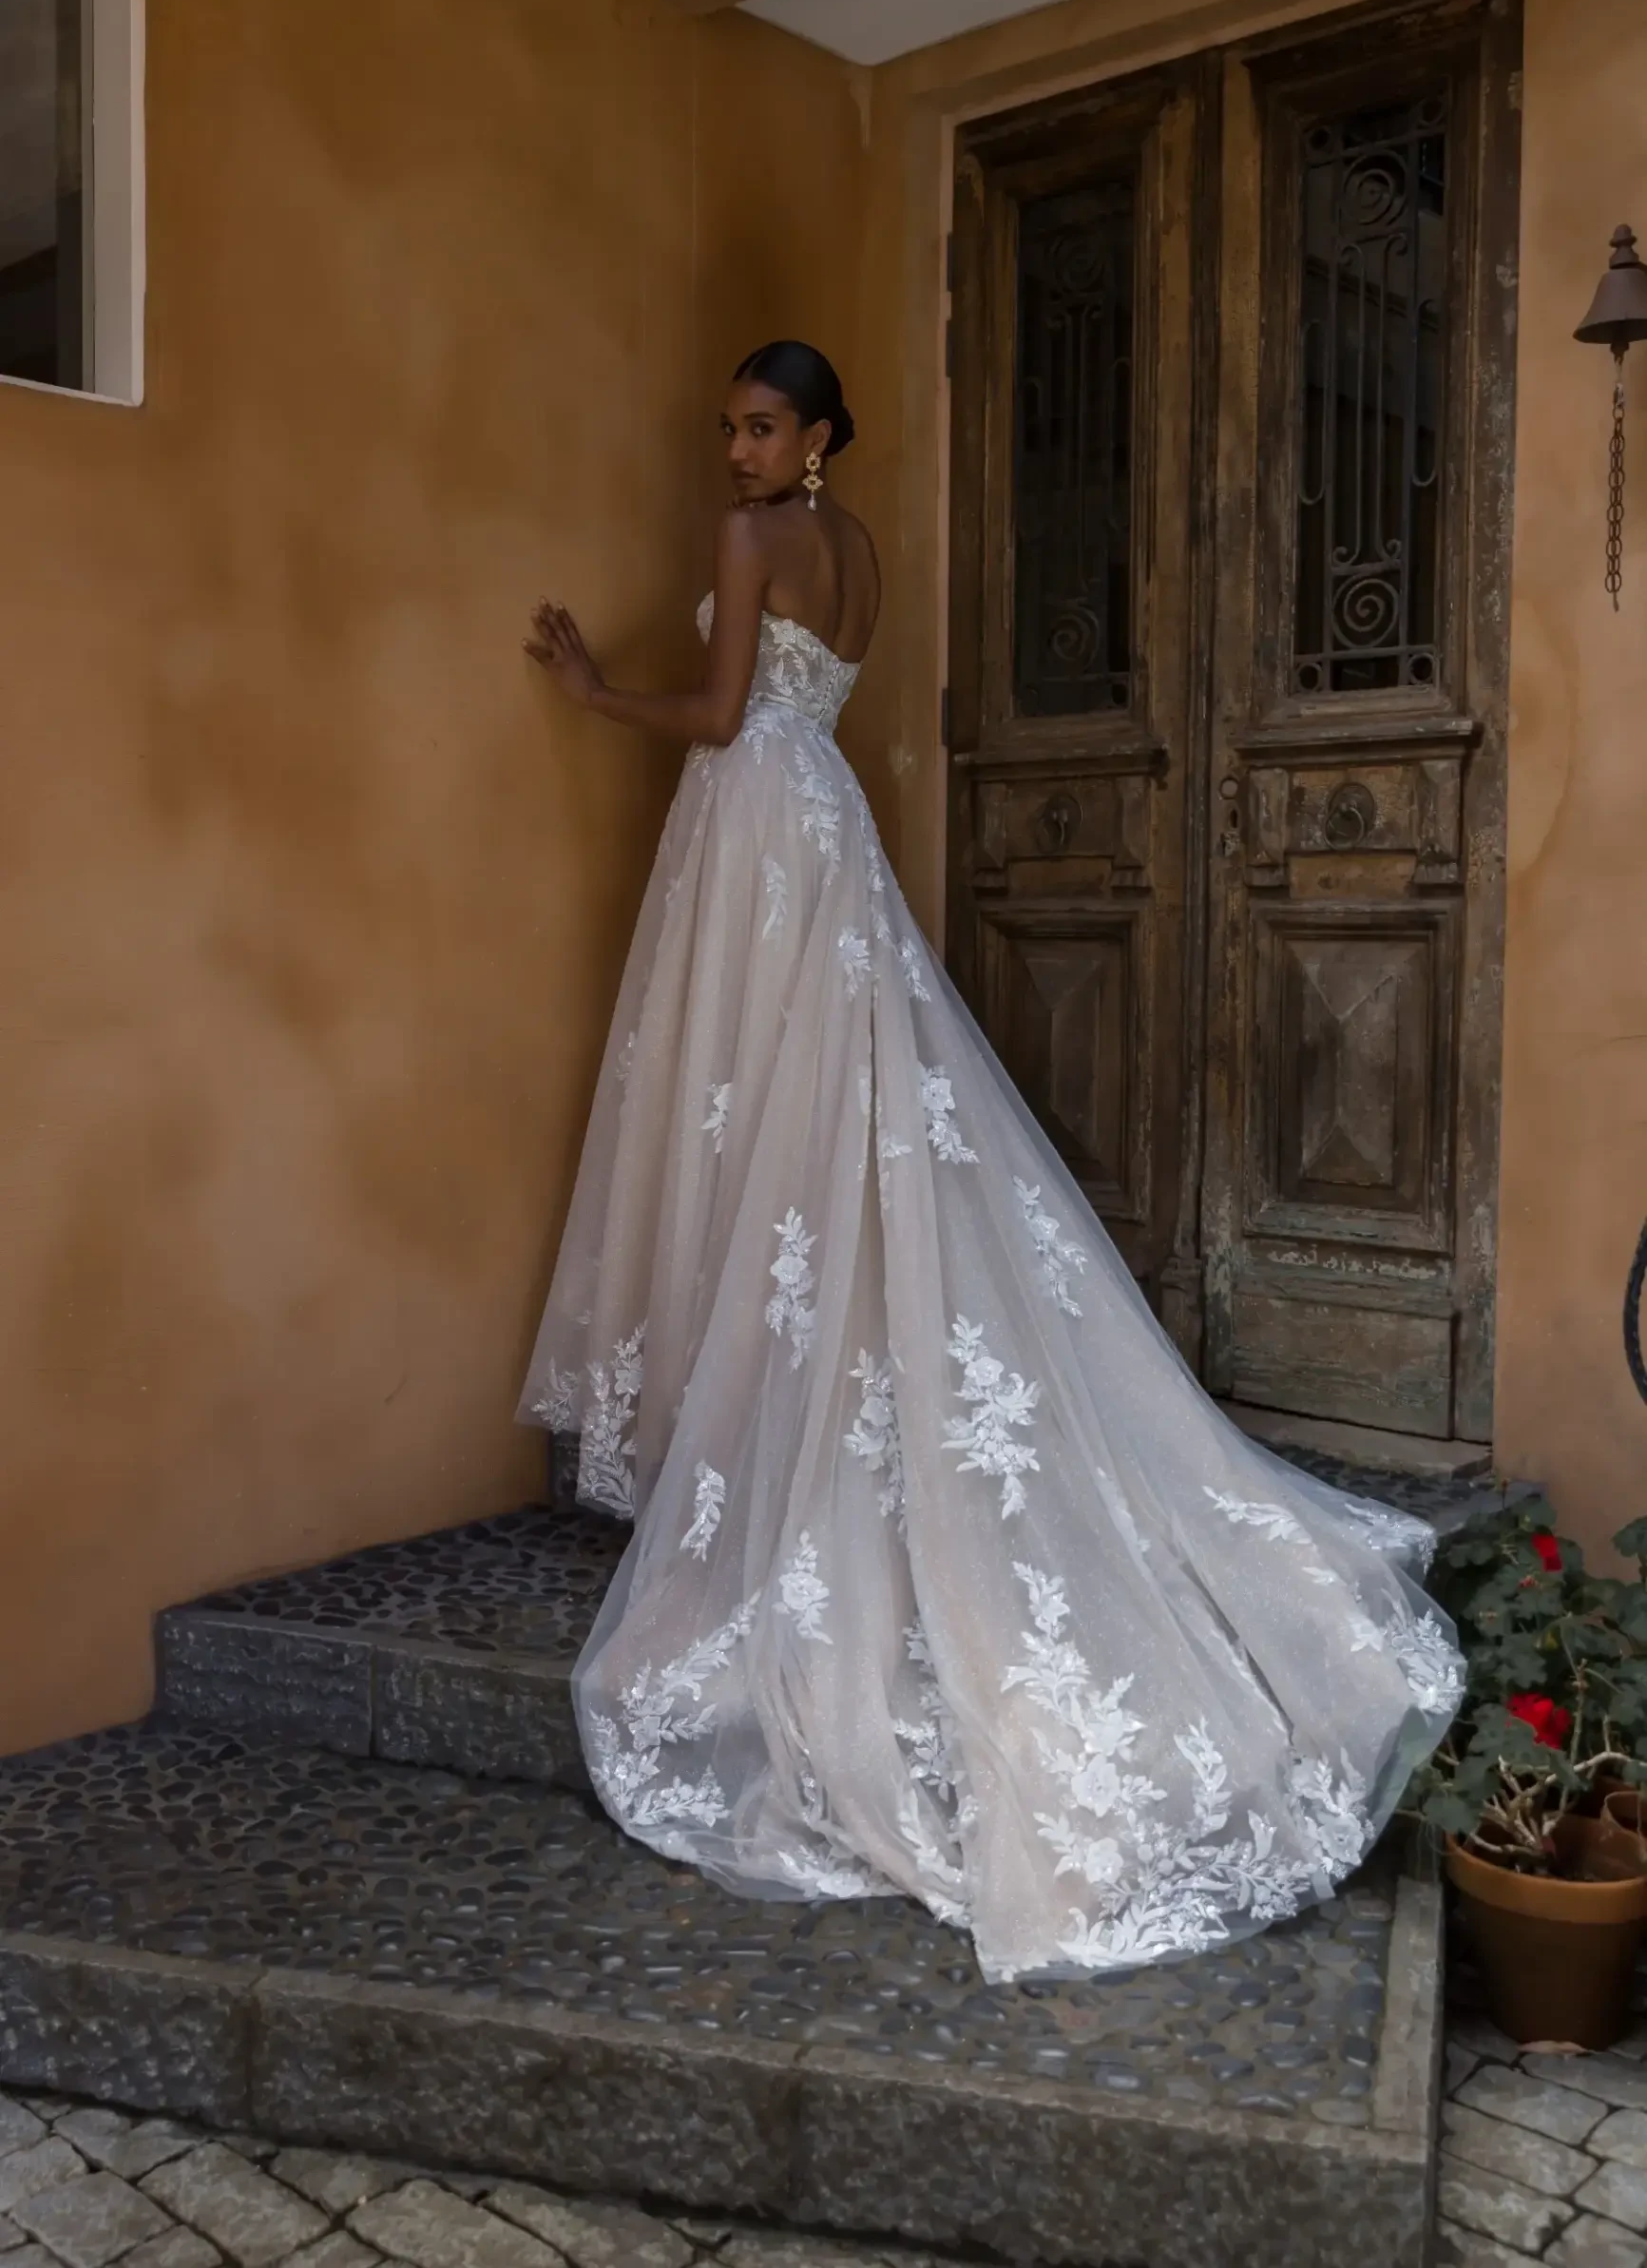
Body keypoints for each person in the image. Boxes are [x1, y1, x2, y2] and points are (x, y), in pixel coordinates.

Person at [517, 339, 1463, 1985]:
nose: (732, 451)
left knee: (778, 1128)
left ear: (813, 439)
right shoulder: (864, 549)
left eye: (757, 427)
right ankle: (792, 1400)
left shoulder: (751, 544)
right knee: (835, 1124)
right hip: (824, 835)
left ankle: (766, 1425)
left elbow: (728, 711)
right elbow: (802, 700)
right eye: (726, 427)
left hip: (754, 825)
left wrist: (599, 691)